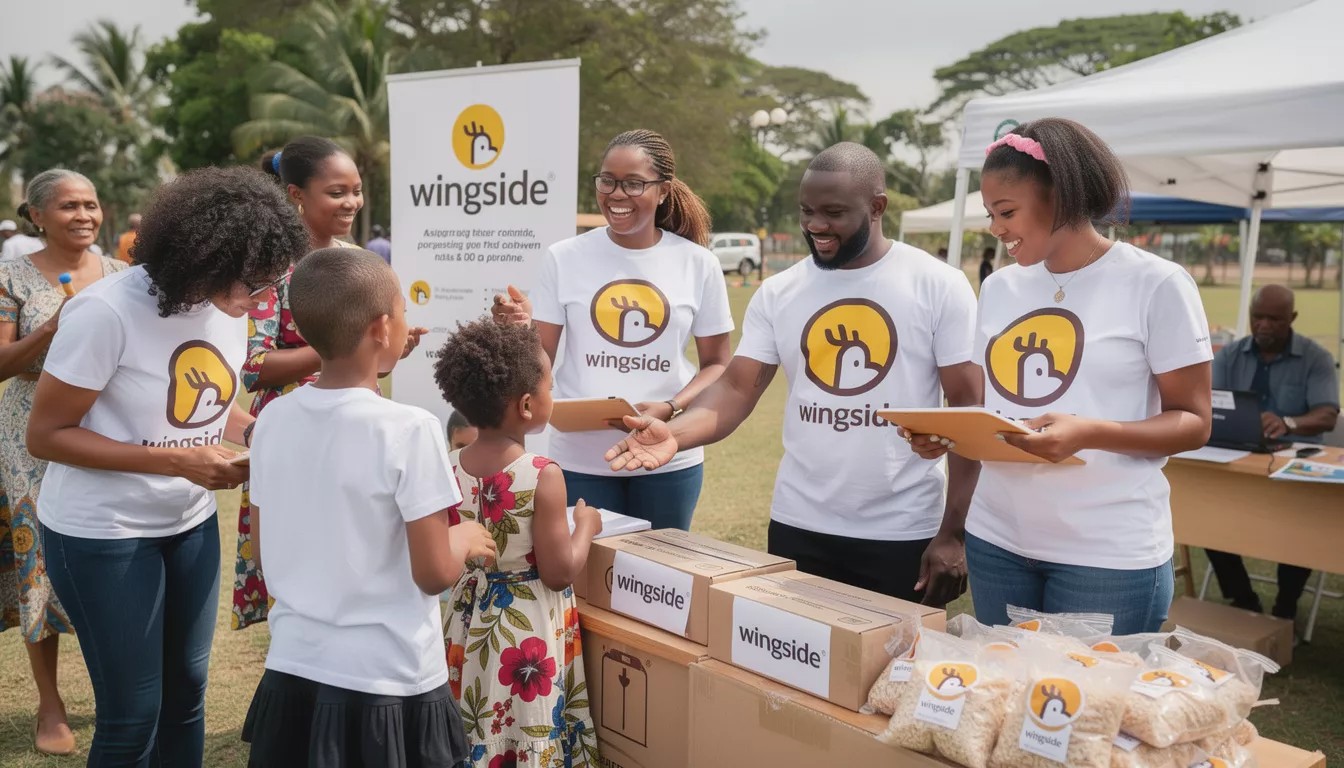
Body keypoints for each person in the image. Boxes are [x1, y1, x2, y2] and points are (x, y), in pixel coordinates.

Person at [604, 142, 981, 605]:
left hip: (902, 529)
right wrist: (674, 435)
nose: (815, 226)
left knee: (893, 675)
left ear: (877, 207)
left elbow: (968, 406)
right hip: (799, 524)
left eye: (834, 212)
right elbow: (737, 387)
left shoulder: (938, 284)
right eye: (806, 211)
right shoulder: (781, 291)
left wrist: (954, 532)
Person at [25, 165, 307, 764]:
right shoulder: (106, 313)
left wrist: (261, 432)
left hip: (188, 525)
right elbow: (45, 436)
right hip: (102, 533)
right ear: (203, 259)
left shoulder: (228, 310)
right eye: (253, 286)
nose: (262, 301)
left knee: (188, 696)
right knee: (133, 717)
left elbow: (207, 400)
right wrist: (179, 463)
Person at [904, 118, 1214, 634]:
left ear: (1064, 197)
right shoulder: (1001, 288)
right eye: (989, 214)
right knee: (1010, 706)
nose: (995, 228)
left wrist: (1089, 432)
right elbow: (995, 409)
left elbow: (1194, 422)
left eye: (1006, 212)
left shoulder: (1157, 284)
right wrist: (950, 435)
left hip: (1105, 553)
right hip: (997, 540)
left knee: (1085, 711)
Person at [241, 247, 494, 766]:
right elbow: (432, 573)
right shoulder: (411, 428)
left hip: (294, 670)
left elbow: (264, 553)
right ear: (382, 327)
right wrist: (465, 539)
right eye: (403, 309)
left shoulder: (271, 420)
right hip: (389, 677)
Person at [491, 129, 732, 531]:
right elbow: (542, 358)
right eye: (607, 180)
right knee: (585, 583)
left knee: (660, 583)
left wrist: (670, 407)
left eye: (634, 183)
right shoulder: (564, 257)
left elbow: (718, 364)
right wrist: (519, 329)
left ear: (663, 190)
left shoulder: (698, 263)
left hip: (666, 457)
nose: (616, 194)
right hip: (581, 459)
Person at [233, 136, 427, 629]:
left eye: (356, 191)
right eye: (337, 192)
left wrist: (389, 350)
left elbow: (376, 367)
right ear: (296, 194)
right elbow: (251, 367)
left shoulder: (359, 260)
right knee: (300, 569)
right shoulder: (267, 268)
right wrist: (340, 345)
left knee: (360, 552)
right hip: (294, 432)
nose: (352, 203)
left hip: (359, 427)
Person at [0, 170, 128, 756]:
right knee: (41, 564)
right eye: (70, 206)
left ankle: (118, 692)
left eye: (92, 205)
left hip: (107, 427)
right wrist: (53, 326)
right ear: (38, 216)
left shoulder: (124, 276)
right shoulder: (10, 276)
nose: (85, 215)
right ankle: (50, 705)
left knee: (113, 554)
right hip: (32, 435)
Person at [436, 318, 601, 764]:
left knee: (476, 713)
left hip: (466, 621)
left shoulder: (449, 466)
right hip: (525, 630)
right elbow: (559, 570)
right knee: (524, 721)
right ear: (528, 405)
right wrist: (585, 525)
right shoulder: (543, 474)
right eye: (550, 385)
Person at [1206, 284, 1339, 623]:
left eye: (1274, 319)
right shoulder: (1230, 354)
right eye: (1258, 317)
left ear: (1291, 318)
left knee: (1300, 531)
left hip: (1296, 462)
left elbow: (1327, 413)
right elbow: (1213, 402)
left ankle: (1286, 606)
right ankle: (1244, 599)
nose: (1264, 325)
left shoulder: (1316, 357)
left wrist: (1287, 421)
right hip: (1238, 458)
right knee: (1205, 518)